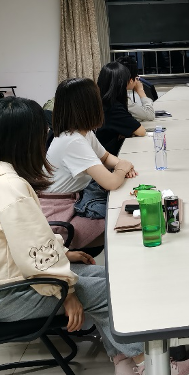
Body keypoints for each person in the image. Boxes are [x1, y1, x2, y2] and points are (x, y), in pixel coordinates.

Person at [0, 97, 189, 375]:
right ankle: (154, 371)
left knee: (108, 278)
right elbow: (32, 254)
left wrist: (64, 255)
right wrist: (67, 292)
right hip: (10, 295)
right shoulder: (10, 187)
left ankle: (125, 367)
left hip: (6, 284)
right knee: (110, 293)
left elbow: (21, 243)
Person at [40, 78, 138, 253]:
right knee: (124, 220)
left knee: (126, 212)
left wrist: (122, 165)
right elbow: (111, 182)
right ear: (90, 106)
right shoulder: (72, 141)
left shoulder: (82, 133)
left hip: (77, 199)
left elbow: (105, 157)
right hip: (62, 213)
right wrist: (122, 168)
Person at [96, 62, 147, 156]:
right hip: (109, 156)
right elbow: (141, 131)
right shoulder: (113, 108)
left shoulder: (100, 101)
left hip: (103, 153)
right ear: (121, 84)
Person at [117, 55, 155, 122]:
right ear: (131, 80)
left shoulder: (113, 92)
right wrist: (141, 91)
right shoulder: (122, 99)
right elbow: (150, 115)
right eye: (136, 76)